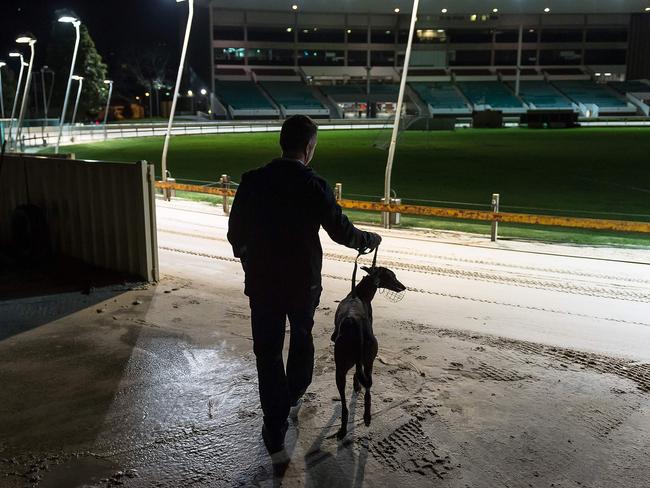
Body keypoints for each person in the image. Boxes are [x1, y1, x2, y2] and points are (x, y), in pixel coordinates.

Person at [227, 115, 381, 455]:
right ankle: (294, 392)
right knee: (300, 339)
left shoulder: (252, 181)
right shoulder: (315, 186)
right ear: (309, 148)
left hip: (263, 283)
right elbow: (342, 232)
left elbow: (234, 235)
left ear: (282, 142)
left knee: (266, 351)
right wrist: (368, 239)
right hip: (303, 284)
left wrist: (250, 261)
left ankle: (275, 422)